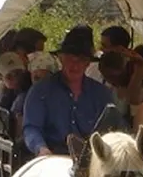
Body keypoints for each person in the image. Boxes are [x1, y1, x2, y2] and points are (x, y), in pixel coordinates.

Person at [21, 26, 115, 156]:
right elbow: (31, 128)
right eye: (70, 58)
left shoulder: (101, 94)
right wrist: (41, 148)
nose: (75, 65)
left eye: (81, 60)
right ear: (61, 58)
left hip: (92, 160)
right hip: (52, 158)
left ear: (88, 63)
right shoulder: (40, 91)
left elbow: (113, 129)